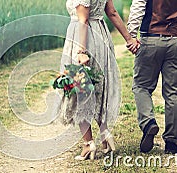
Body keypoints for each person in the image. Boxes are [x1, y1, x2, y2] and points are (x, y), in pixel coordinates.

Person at [58, 0, 138, 160]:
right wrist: (129, 39)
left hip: (83, 38)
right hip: (101, 36)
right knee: (99, 87)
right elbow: (112, 12)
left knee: (80, 89)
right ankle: (105, 134)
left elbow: (83, 19)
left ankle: (88, 143)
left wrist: (81, 50)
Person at [127, 0, 177, 153]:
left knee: (141, 87)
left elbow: (138, 7)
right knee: (174, 94)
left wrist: (131, 35)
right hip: (176, 41)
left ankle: (148, 122)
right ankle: (172, 143)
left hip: (149, 40)